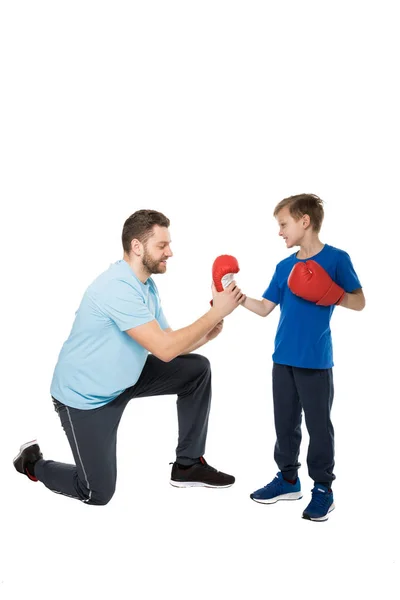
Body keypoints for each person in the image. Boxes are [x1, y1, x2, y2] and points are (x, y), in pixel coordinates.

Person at [13, 209, 245, 505]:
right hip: (86, 398)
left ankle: (188, 465)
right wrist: (216, 312)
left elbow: (170, 341)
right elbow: (165, 349)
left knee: (196, 370)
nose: (170, 252)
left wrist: (208, 332)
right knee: (96, 492)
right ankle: (32, 463)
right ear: (137, 246)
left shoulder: (146, 286)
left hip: (127, 378)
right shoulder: (116, 287)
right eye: (162, 245)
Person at [242, 194, 365, 521]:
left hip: (315, 361)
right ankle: (288, 480)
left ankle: (323, 488)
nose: (280, 232)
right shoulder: (284, 267)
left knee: (319, 427)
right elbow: (266, 308)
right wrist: (237, 298)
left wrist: (331, 293)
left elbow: (360, 302)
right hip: (282, 359)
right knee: (285, 423)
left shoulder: (337, 259)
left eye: (283, 224)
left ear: (304, 221)